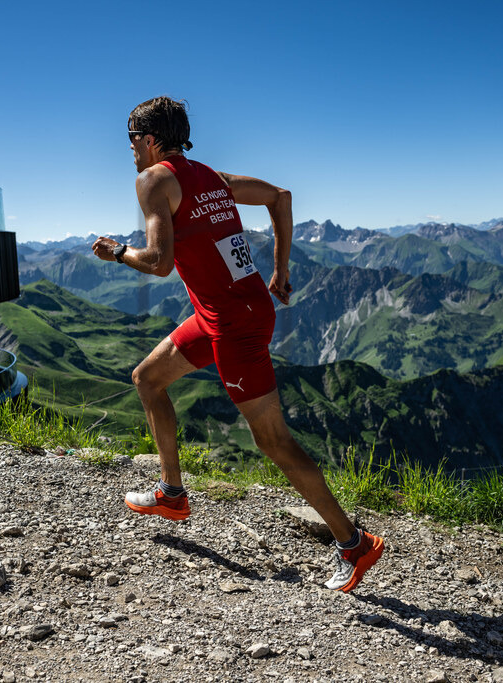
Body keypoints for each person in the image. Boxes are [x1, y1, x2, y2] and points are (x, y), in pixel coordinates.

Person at [92, 97, 385, 593]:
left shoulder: (153, 181)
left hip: (234, 325)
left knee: (272, 440)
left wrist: (118, 252)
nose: (130, 153)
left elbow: (160, 262)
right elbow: (282, 196)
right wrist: (281, 269)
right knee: (147, 379)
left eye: (131, 142)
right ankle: (172, 493)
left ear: (149, 139)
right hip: (225, 314)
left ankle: (353, 542)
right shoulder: (212, 176)